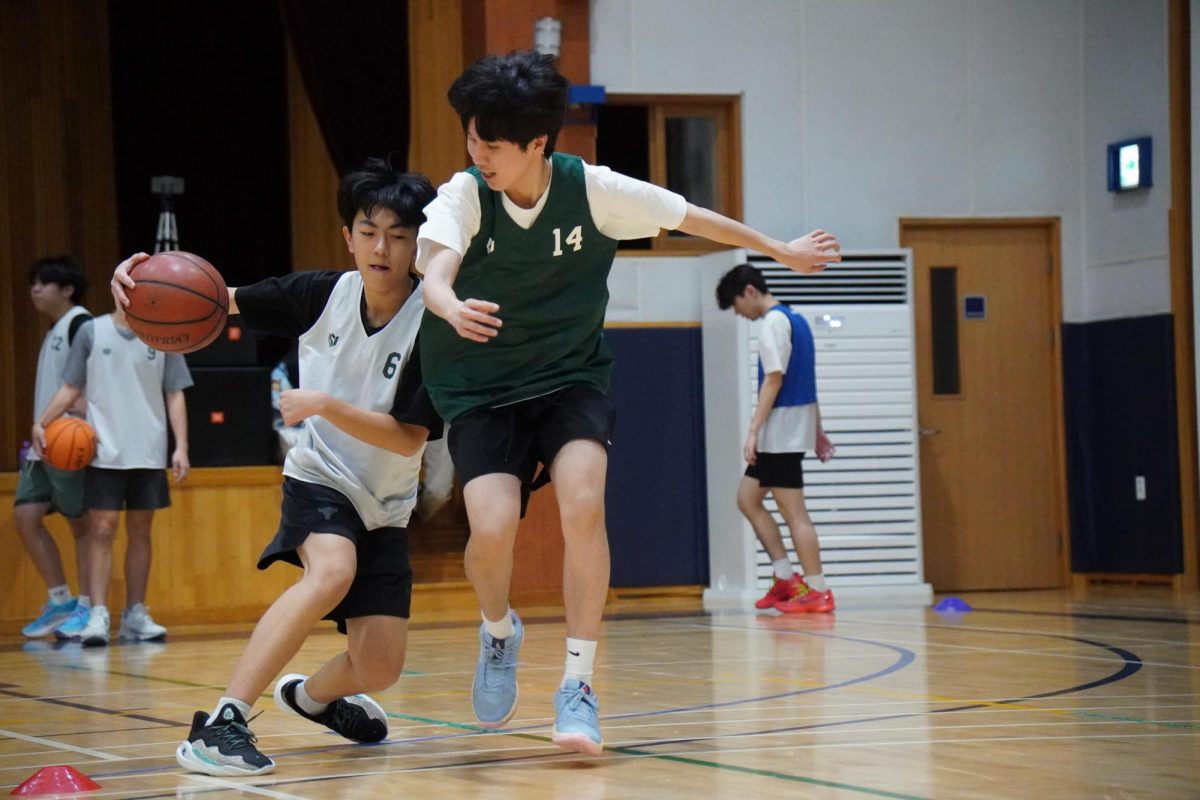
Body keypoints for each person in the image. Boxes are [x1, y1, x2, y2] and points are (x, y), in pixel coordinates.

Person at [416, 49, 841, 755]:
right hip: (480, 386)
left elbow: (691, 216)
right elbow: (435, 268)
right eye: (471, 138)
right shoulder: (465, 194)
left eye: (491, 145)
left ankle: (578, 686)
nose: (477, 153)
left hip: (568, 376)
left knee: (584, 502)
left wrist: (780, 248)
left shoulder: (593, 190)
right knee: (490, 531)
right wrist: (448, 303)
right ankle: (498, 633)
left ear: (537, 145)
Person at [112, 159, 441, 777]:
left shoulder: (433, 322)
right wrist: (138, 291)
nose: (382, 247)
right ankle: (222, 725)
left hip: (388, 501)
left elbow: (408, 439)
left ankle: (311, 699)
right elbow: (213, 300)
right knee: (331, 572)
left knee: (381, 667)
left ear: (418, 245)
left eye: (399, 236)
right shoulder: (320, 294)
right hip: (320, 478)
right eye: (369, 231)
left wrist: (324, 404)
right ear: (348, 235)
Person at [35, 300, 192, 647]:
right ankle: (98, 613)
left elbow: (175, 392)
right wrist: (42, 422)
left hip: (148, 450)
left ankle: (135, 613)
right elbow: (70, 387)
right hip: (103, 449)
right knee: (101, 529)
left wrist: (180, 446)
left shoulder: (163, 334)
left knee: (141, 531)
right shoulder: (92, 331)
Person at [716, 263, 836, 614]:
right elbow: (808, 381)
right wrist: (817, 429)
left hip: (780, 434)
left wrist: (752, 429)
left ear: (749, 291)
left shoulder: (773, 324)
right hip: (787, 431)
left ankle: (818, 589)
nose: (740, 314)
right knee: (747, 498)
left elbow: (775, 379)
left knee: (794, 513)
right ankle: (785, 578)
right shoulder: (796, 320)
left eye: (738, 305)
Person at [15, 256, 93, 638]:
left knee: (81, 525)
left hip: (69, 442)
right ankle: (60, 600)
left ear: (67, 289)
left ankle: (86, 606)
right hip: (43, 442)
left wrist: (86, 406)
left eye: (43, 283)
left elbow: (93, 382)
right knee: (26, 517)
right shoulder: (55, 329)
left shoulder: (83, 324)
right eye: (33, 282)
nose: (35, 289)